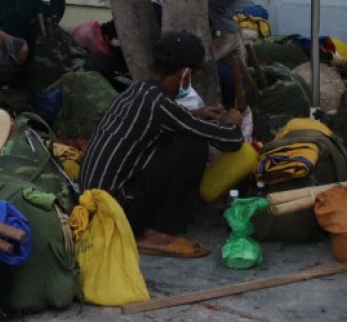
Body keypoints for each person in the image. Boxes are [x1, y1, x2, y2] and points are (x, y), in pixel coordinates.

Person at [79, 31, 242, 258]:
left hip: (92, 202)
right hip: (115, 211)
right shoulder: (159, 105)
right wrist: (232, 122)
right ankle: (160, 231)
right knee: (193, 145)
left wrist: (195, 114)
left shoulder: (137, 91)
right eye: (193, 76)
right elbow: (231, 141)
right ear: (185, 74)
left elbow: (168, 120)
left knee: (178, 137)